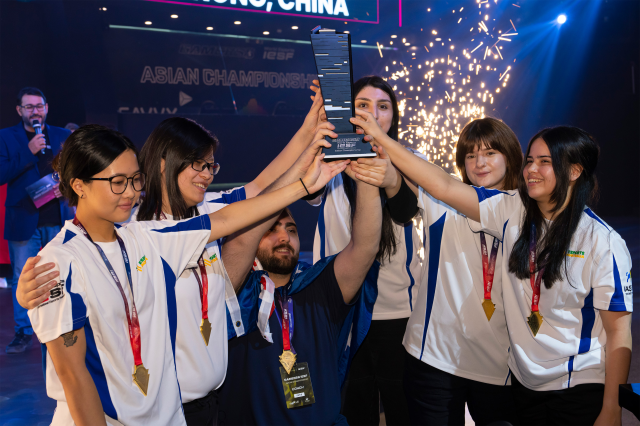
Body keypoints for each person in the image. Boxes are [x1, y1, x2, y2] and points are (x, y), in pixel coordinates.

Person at [22, 124, 346, 426]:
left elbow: (228, 218)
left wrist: (304, 185)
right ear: (79, 185)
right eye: (117, 182)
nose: (131, 192)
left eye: (135, 180)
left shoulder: (146, 237)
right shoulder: (57, 263)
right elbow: (74, 378)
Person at [351, 112, 633, 426]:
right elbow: (440, 185)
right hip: (495, 375)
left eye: (544, 162)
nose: (533, 170)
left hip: (553, 379)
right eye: (531, 161)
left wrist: (612, 406)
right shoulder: (508, 208)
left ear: (574, 170)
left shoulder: (599, 239)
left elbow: (618, 332)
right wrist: (380, 139)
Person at [217, 153, 384, 425]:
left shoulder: (320, 285)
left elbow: (365, 246)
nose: (284, 237)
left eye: (291, 230)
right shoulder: (234, 293)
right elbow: (239, 243)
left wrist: (366, 175)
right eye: (271, 229)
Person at [383, 117, 523, 425]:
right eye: (470, 155)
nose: (479, 162)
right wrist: (375, 133)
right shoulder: (441, 199)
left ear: (510, 156)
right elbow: (422, 174)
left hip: (499, 362)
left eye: (489, 152)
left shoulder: (522, 209)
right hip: (432, 358)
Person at [310, 75, 420, 425]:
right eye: (362, 106)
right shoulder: (328, 156)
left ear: (394, 117)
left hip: (399, 312)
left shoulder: (409, 160)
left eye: (383, 107)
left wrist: (389, 175)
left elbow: (406, 210)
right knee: (352, 409)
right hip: (342, 309)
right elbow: (306, 192)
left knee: (403, 408)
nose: (373, 114)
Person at [0, 87, 74, 354]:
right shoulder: (6, 137)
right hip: (24, 217)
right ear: (19, 110)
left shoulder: (63, 136)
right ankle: (23, 332)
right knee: (23, 276)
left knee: (63, 274)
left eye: (39, 106)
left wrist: (64, 185)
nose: (35, 112)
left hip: (58, 215)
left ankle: (65, 325)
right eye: (29, 107)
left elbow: (75, 170)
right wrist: (28, 152)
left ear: (46, 108)